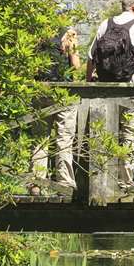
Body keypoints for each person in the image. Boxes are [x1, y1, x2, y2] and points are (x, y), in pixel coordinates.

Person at [86, 0, 134, 181]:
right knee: (130, 135)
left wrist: (89, 84)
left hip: (105, 92)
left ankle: (101, 179)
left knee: (105, 133)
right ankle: (125, 181)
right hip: (132, 92)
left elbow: (91, 57)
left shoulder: (105, 24)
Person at [31, 24, 82, 194]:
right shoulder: (68, 33)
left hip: (41, 89)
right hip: (64, 91)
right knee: (64, 138)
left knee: (40, 138)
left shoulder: (37, 30)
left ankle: (36, 183)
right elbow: (76, 65)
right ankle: (64, 183)